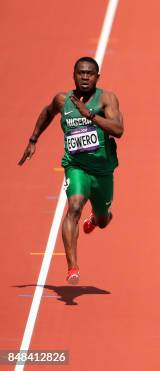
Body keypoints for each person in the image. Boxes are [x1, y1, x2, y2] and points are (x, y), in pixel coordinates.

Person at [19, 56, 124, 285]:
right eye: (80, 73)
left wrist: (90, 116)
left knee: (104, 220)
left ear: (98, 77)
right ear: (74, 75)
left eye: (90, 73)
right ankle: (72, 267)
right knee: (74, 206)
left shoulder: (106, 99)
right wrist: (33, 139)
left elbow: (118, 130)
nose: (85, 77)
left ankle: (97, 219)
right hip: (76, 166)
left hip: (103, 171)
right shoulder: (62, 100)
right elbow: (47, 112)